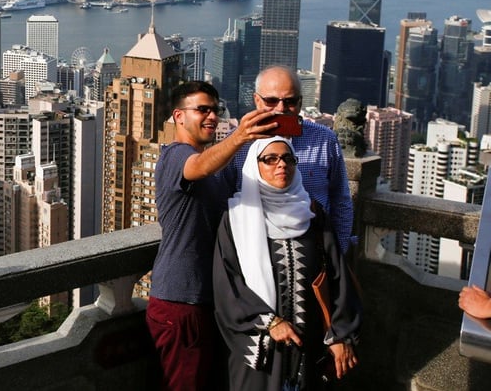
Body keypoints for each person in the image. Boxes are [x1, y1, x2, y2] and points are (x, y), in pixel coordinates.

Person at [147, 80, 278, 390]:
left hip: (209, 300)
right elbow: (197, 167)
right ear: (179, 116)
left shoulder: (218, 167)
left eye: (215, 110)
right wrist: (240, 135)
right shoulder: (174, 156)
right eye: (202, 110)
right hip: (180, 301)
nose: (211, 117)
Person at [214, 137, 361, 390]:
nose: (281, 165)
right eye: (270, 159)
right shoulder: (237, 219)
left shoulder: (312, 214)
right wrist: (270, 322)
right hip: (262, 354)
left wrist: (340, 335)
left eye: (288, 158)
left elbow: (337, 276)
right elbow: (227, 285)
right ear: (254, 166)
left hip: (311, 350)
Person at [223, 66, 355, 254]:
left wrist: (337, 255)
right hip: (254, 251)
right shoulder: (237, 143)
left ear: (300, 103)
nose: (281, 108)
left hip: (315, 250)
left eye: (290, 101)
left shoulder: (324, 140)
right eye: (271, 100)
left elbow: (341, 201)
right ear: (256, 100)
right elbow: (223, 201)